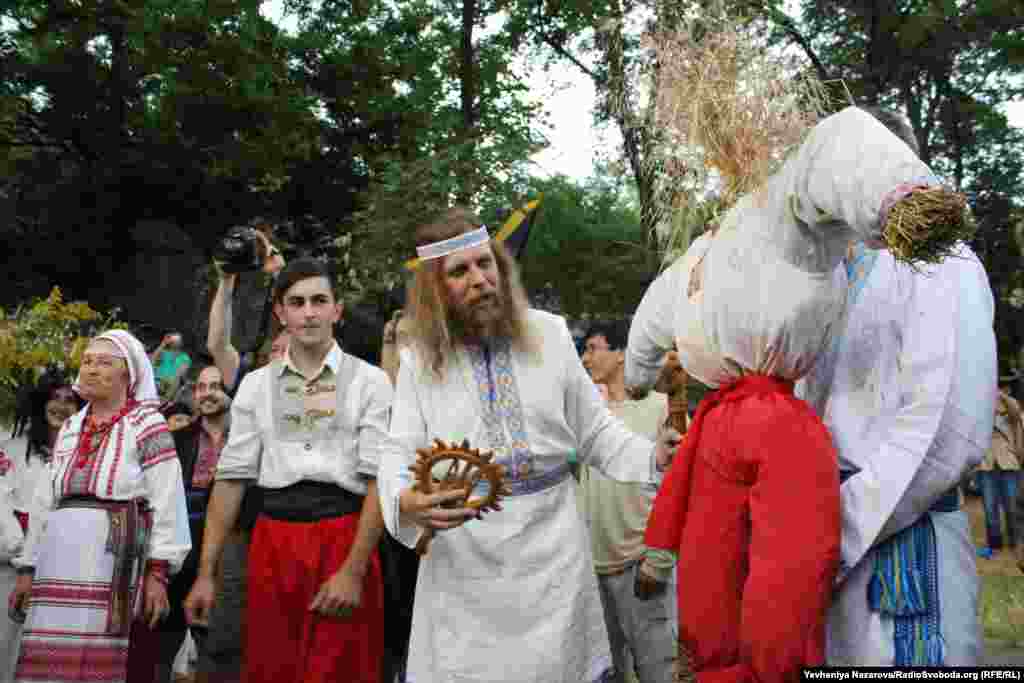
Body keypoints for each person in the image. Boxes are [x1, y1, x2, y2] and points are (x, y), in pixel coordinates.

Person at [377, 207, 678, 683]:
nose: (479, 279)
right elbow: (398, 451)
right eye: (459, 271)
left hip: (553, 557)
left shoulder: (550, 333)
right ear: (436, 290)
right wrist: (406, 503)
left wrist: (651, 455)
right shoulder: (418, 358)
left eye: (485, 264)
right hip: (465, 565)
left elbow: (595, 431)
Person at [799, 107, 997, 666]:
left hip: (899, 547)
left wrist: (833, 533)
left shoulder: (942, 259)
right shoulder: (833, 276)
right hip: (834, 537)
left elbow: (944, 431)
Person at [185, 258, 393, 683]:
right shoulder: (256, 385)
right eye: (297, 302)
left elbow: (380, 481)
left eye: (320, 300)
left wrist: (353, 571)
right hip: (272, 543)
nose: (309, 312)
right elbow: (230, 483)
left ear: (337, 309)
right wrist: (207, 574)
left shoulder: (372, 382)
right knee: (268, 669)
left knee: (341, 671)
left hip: (344, 539)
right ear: (281, 313)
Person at [8, 330, 191, 682]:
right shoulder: (72, 426)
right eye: (88, 361)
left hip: (114, 562)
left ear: (129, 373)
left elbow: (168, 499)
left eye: (105, 362)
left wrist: (158, 573)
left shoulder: (147, 423)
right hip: (58, 560)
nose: (91, 369)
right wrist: (28, 569)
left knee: (102, 661)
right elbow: (45, 502)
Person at [579, 321, 677, 683]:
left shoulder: (661, 408)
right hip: (593, 570)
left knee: (659, 671)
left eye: (592, 348)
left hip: (641, 565)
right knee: (609, 675)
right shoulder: (589, 416)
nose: (585, 358)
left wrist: (660, 560)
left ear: (620, 353)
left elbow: (676, 488)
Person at [1, 370, 83, 681]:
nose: (61, 407)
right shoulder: (12, 451)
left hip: (63, 572)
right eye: (55, 398)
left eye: (69, 401)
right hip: (12, 567)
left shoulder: (82, 457)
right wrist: (26, 556)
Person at [156, 364, 232, 683]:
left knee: (218, 645)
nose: (207, 393)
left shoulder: (246, 438)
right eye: (201, 387)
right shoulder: (175, 439)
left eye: (215, 386)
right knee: (162, 643)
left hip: (226, 547)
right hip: (182, 544)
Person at [207, 227, 286, 396]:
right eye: (276, 349)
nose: (278, 350)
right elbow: (217, 345)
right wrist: (226, 278)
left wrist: (281, 274)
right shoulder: (248, 381)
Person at [976, 382, 1023, 555]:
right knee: (990, 507)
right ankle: (994, 543)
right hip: (987, 463)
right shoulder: (983, 408)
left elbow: (1016, 411)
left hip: (1008, 462)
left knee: (1011, 506)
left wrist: (1002, 396)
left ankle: (1015, 542)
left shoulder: (1010, 408)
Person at [151, 331, 192, 400]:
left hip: (169, 386)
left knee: (177, 379)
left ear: (182, 343)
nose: (175, 341)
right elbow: (153, 360)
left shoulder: (185, 357)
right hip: (156, 383)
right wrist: (163, 344)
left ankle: (165, 400)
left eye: (178, 339)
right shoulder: (164, 353)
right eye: (173, 338)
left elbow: (181, 375)